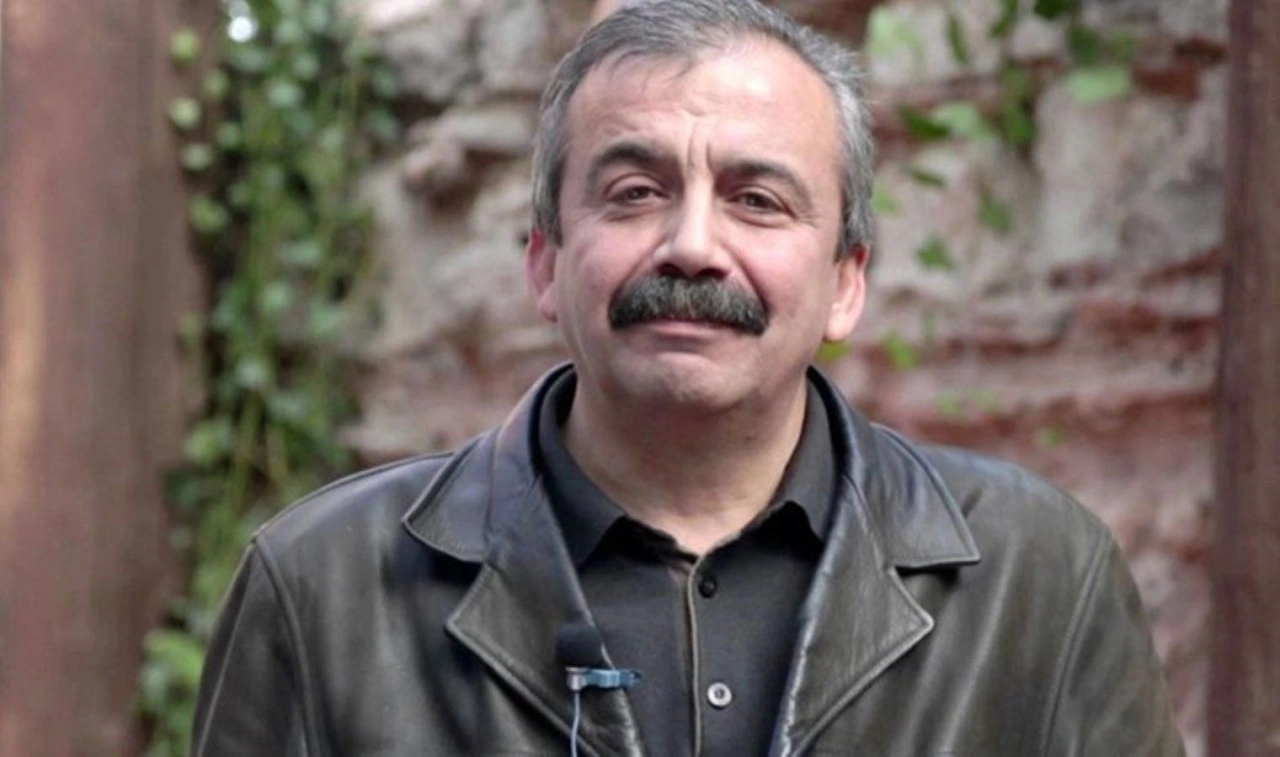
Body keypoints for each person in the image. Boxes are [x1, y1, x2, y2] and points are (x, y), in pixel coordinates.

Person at [191, 1, 1185, 754]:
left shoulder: (1038, 579)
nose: (693, 246)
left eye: (757, 200)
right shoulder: (321, 586)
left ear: (846, 282)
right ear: (544, 262)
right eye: (634, 192)